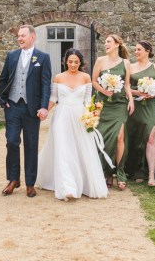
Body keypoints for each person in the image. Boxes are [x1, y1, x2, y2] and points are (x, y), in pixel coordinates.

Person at [36, 49, 108, 200]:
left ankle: (84, 183)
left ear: (80, 62)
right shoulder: (58, 77)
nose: (73, 64)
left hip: (80, 117)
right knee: (63, 149)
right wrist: (44, 111)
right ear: (65, 62)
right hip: (61, 116)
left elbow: (88, 100)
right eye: (70, 62)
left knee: (81, 149)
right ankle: (67, 188)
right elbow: (53, 98)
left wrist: (91, 116)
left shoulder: (86, 77)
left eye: (76, 62)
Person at [0, 25, 51, 198]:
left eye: (23, 36)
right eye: (18, 36)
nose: (20, 39)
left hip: (32, 108)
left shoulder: (43, 58)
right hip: (13, 106)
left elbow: (45, 84)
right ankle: (13, 179)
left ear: (32, 37)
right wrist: (3, 100)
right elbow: (3, 79)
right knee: (12, 142)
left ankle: (30, 183)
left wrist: (44, 106)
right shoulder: (12, 56)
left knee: (31, 145)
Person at [92, 34, 134, 190]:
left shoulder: (126, 63)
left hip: (120, 104)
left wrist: (130, 100)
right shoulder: (100, 61)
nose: (106, 44)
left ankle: (120, 172)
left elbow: (127, 85)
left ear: (117, 44)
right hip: (103, 105)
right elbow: (94, 81)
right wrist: (104, 89)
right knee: (105, 138)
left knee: (119, 136)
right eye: (105, 42)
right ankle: (107, 173)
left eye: (108, 41)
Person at [126, 41, 155, 187]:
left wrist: (152, 93)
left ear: (147, 51)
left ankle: (151, 175)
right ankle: (137, 171)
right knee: (136, 138)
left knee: (151, 137)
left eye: (139, 49)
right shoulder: (130, 67)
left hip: (151, 105)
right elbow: (126, 86)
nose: (136, 52)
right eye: (135, 49)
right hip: (135, 105)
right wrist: (137, 92)